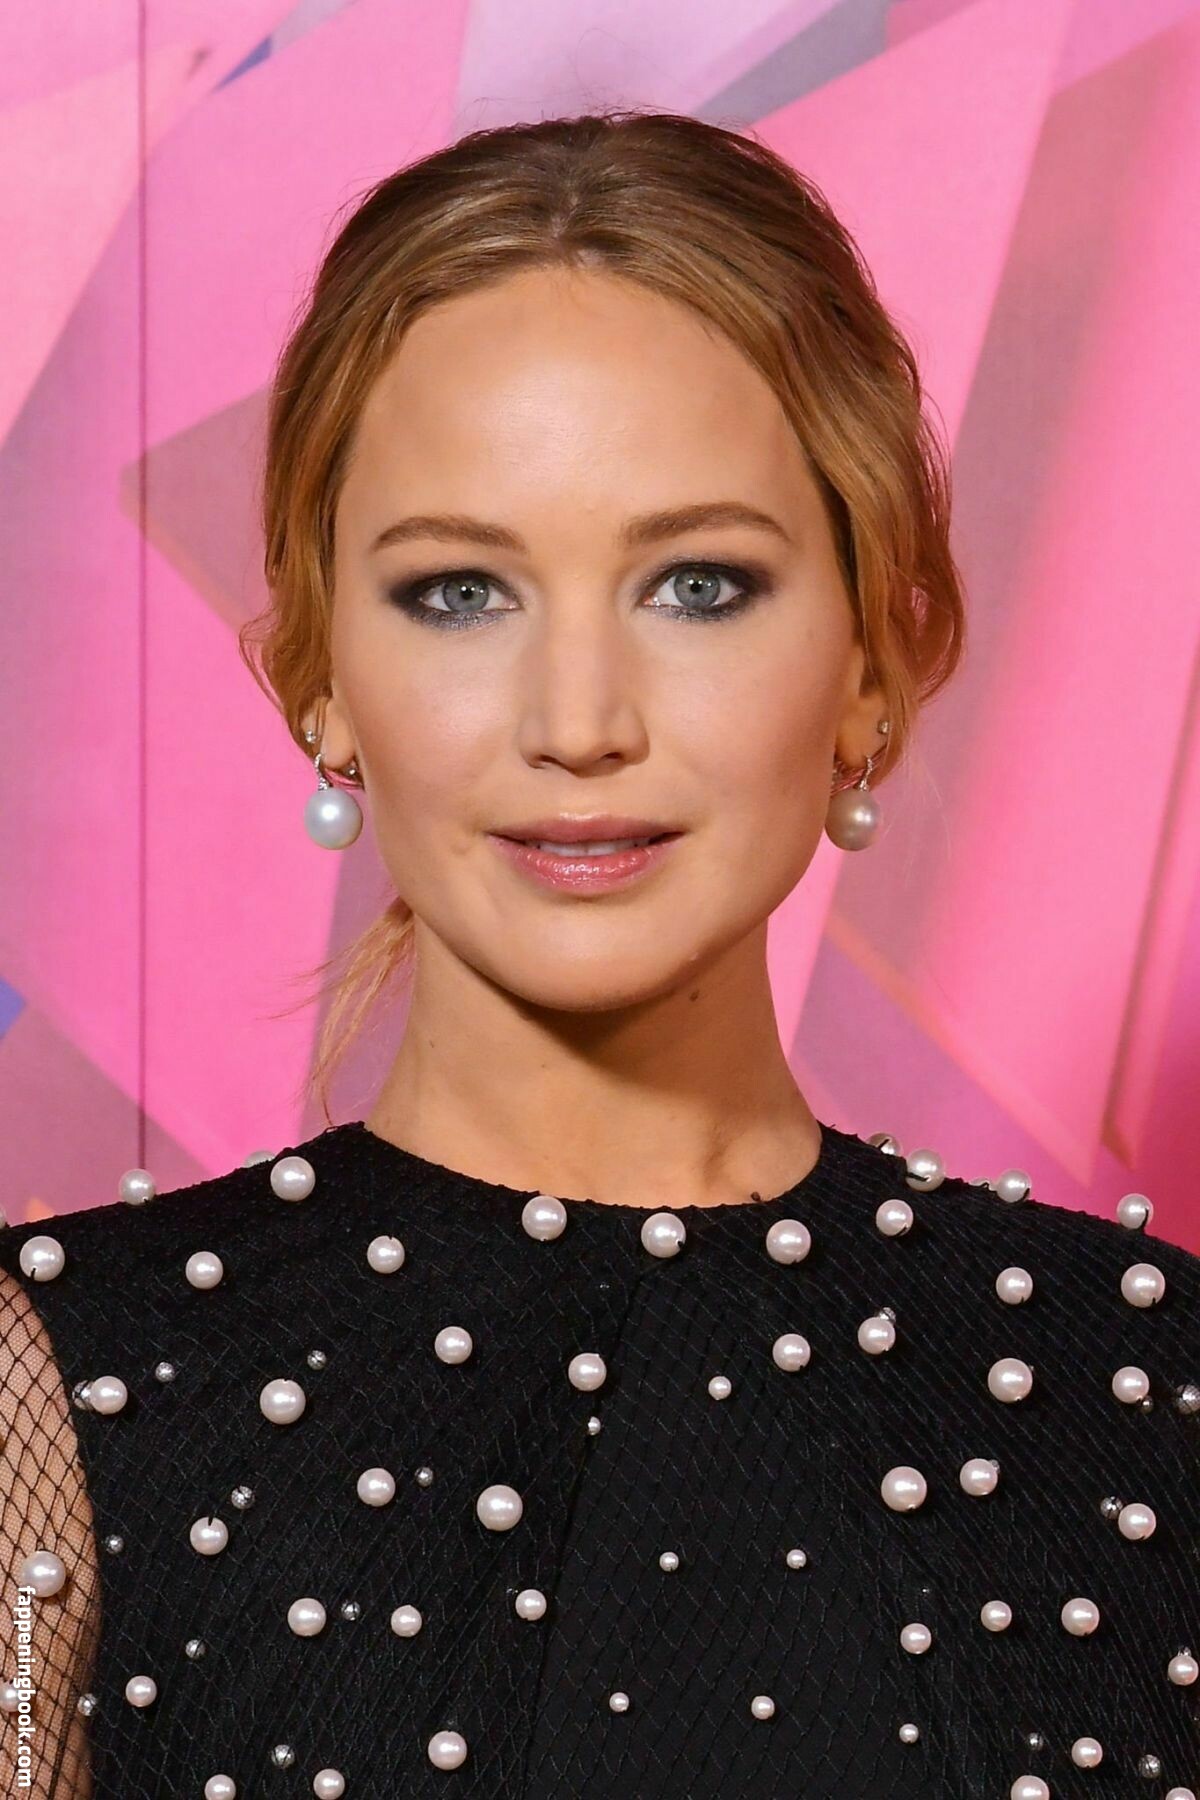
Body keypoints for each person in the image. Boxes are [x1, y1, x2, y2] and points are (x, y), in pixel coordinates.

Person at [1, 108, 1197, 1800]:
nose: (578, 722)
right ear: (322, 677)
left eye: (698, 586)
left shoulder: (1150, 1397)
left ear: (873, 658)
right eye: (459, 592)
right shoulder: (59, 1394)